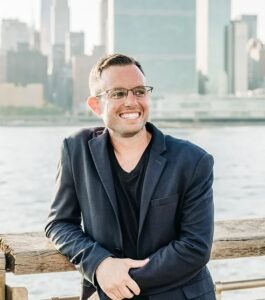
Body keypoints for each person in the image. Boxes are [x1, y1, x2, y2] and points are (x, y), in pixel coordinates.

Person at [45, 53, 216, 300]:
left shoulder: (193, 161)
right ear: (96, 105)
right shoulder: (75, 150)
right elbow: (59, 224)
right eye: (118, 93)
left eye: (139, 91)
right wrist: (100, 265)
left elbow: (195, 248)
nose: (131, 101)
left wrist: (113, 284)